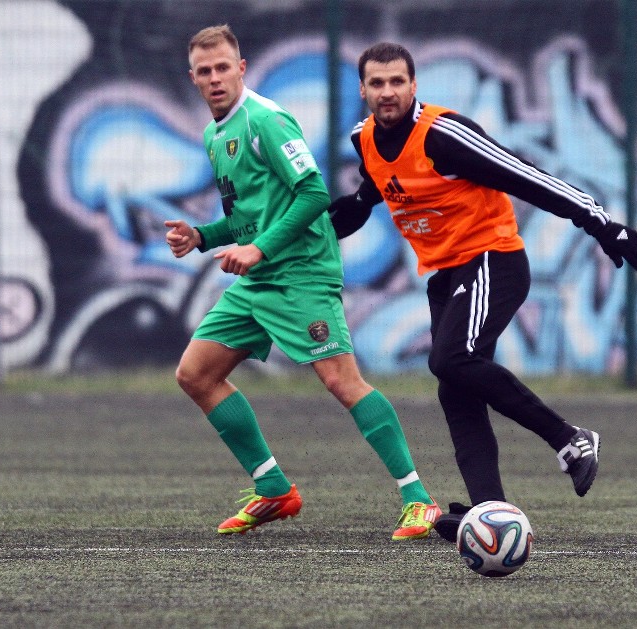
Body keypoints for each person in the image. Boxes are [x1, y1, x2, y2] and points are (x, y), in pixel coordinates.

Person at [329, 42, 637, 542]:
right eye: (377, 83)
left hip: (492, 260)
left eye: (397, 81)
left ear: (414, 85)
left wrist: (604, 224)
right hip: (446, 275)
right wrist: (322, 225)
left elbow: (528, 178)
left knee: (451, 360)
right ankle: (491, 515)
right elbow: (368, 197)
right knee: (455, 390)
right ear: (363, 90)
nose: (387, 91)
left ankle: (570, 440)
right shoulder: (364, 138)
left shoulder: (443, 135)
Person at [165, 26, 440, 540]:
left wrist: (259, 248)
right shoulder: (213, 134)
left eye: (223, 67)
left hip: (301, 272)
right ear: (194, 80)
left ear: (241, 68)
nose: (215, 77)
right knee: (195, 374)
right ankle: (274, 490)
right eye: (205, 71)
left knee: (342, 382)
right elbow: (249, 218)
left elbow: (313, 193)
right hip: (260, 276)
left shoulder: (266, 120)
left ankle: (418, 500)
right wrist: (200, 236)